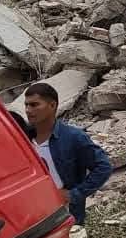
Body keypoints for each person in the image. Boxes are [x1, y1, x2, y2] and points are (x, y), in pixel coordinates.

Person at [24, 82, 113, 225]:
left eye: (34, 105)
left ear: (52, 105)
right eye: (26, 105)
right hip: (32, 213)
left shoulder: (73, 137)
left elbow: (103, 167)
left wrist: (74, 194)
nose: (28, 110)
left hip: (65, 214)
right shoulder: (22, 137)